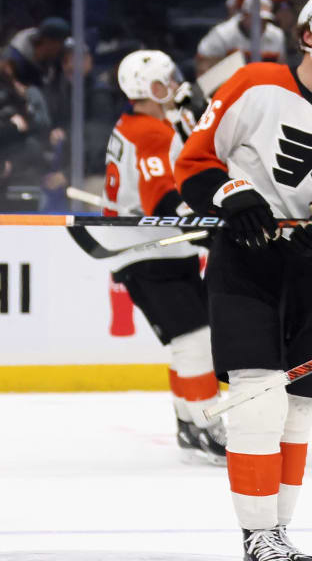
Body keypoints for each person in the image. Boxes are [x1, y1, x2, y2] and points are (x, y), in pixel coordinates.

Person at [174, 0, 312, 561]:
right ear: (307, 33)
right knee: (257, 401)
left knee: (299, 409)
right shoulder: (255, 84)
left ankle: (279, 532)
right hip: (245, 261)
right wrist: (232, 193)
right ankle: (257, 537)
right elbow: (195, 162)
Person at [96, 49, 225, 465]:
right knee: (194, 341)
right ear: (149, 88)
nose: (175, 84)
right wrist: (210, 230)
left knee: (188, 342)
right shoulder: (149, 132)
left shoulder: (141, 124)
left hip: (163, 252)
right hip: (149, 255)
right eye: (166, 80)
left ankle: (189, 422)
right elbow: (164, 202)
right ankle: (207, 424)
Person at [195, 0, 287, 75]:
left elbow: (280, 69)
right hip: (228, 86)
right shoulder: (222, 34)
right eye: (256, 19)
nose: (261, 25)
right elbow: (203, 68)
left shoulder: (277, 35)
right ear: (244, 15)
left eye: (265, 21)